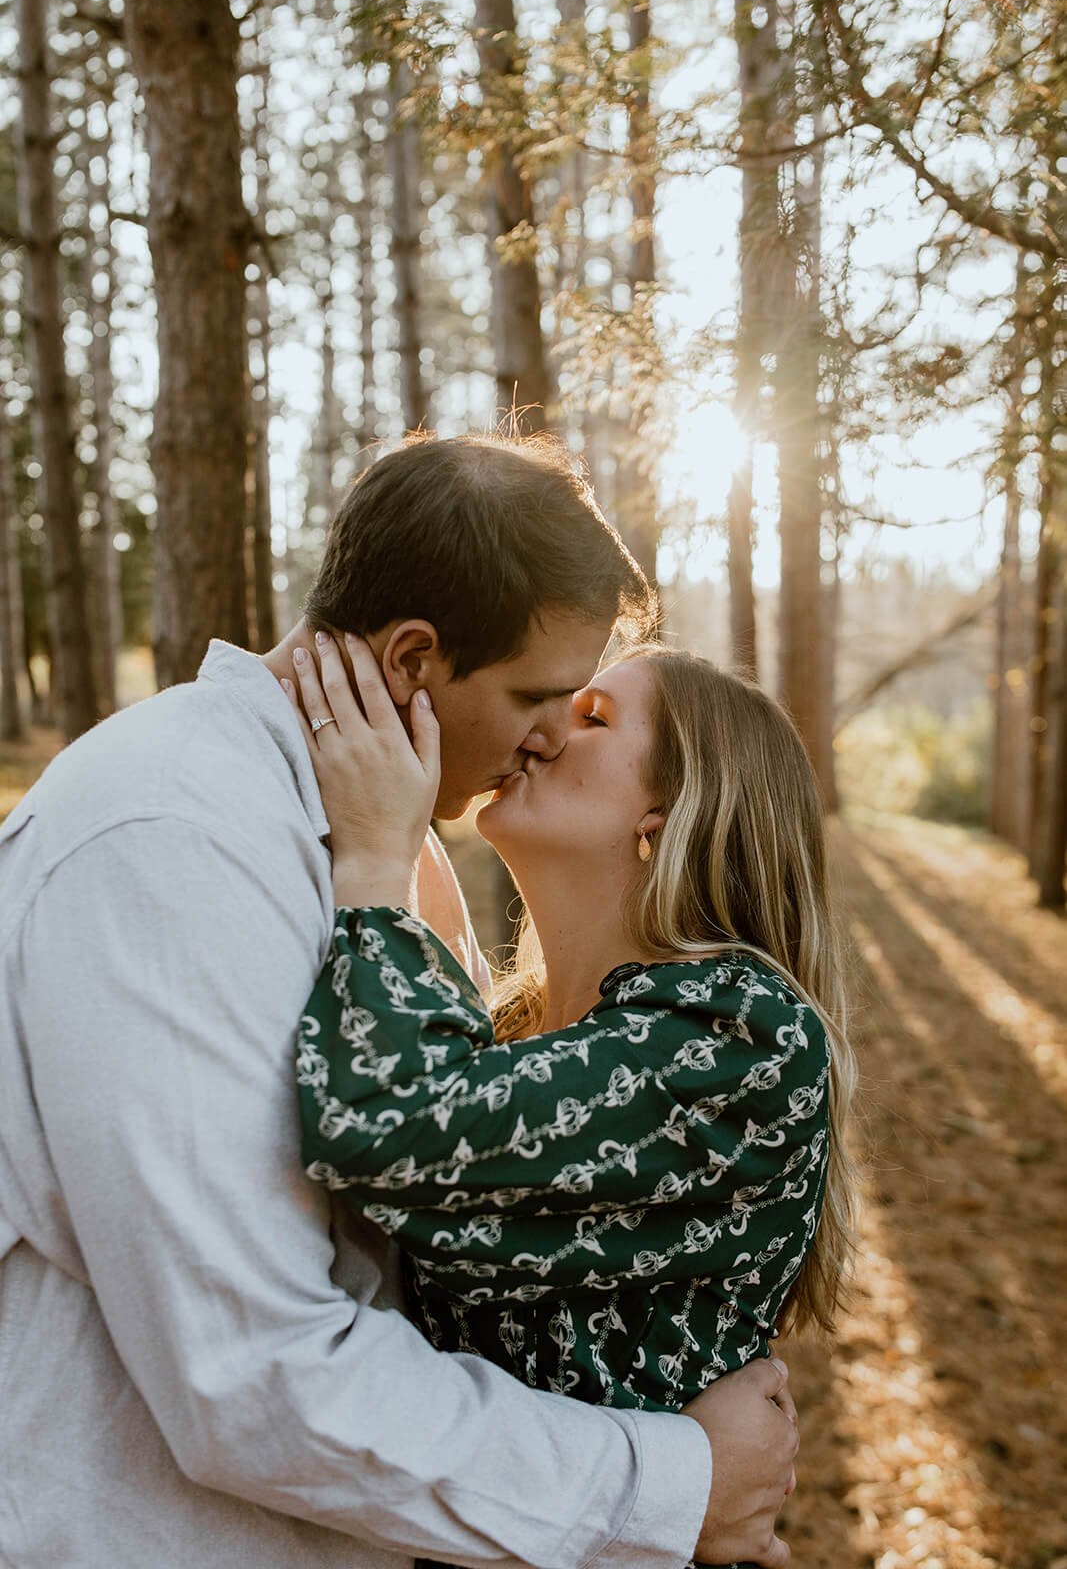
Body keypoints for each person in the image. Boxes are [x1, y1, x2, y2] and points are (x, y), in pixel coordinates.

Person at [0, 434, 798, 1569]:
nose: (547, 736)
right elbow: (255, 1375)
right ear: (415, 657)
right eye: (537, 695)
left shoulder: (364, 838)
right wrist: (670, 1483)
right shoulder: (171, 840)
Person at [283, 627, 859, 1567]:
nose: (545, 730)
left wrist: (376, 868)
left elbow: (384, 1123)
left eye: (590, 716)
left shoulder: (741, 1038)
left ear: (667, 814)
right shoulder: (514, 1030)